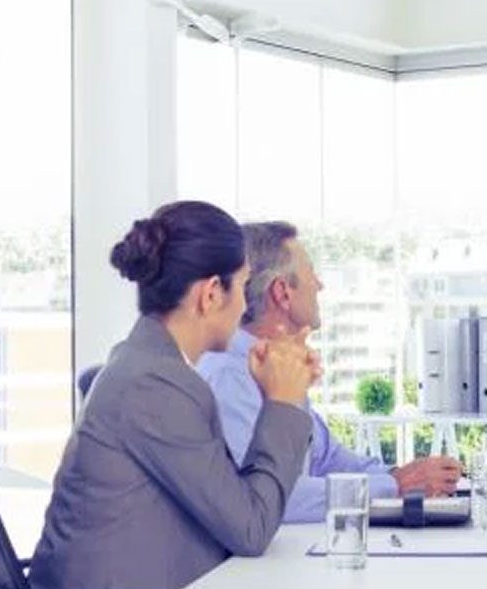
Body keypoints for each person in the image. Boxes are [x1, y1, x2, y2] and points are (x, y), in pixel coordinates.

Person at [28, 202, 392, 589]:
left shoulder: (155, 369)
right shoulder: (155, 385)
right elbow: (249, 526)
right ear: (210, 294)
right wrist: (282, 405)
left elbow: (231, 501)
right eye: (242, 287)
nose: (246, 305)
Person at [198, 220, 462, 521]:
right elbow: (277, 498)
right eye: (311, 273)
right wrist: (394, 486)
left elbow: (326, 458)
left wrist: (399, 475)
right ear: (283, 293)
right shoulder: (229, 378)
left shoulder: (280, 366)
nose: (319, 285)